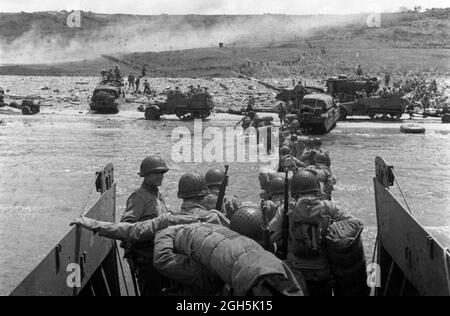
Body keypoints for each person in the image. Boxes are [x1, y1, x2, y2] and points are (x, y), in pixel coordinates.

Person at [269, 170, 355, 296]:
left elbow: (272, 236)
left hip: (295, 271)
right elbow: (354, 224)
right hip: (322, 271)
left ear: (293, 191)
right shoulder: (327, 206)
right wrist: (332, 233)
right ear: (316, 189)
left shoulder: (286, 209)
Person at [119, 156, 170, 296]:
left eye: (162, 173)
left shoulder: (157, 194)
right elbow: (127, 224)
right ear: (145, 175)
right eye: (156, 173)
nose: (160, 176)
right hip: (145, 256)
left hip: (158, 252)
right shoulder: (139, 196)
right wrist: (150, 228)